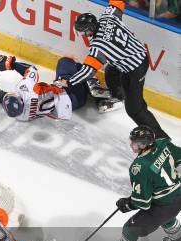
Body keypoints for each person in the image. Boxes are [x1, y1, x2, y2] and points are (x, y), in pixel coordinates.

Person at [61, 1, 168, 139]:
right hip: (138, 54)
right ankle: (118, 96)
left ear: (89, 30)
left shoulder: (98, 46)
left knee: (135, 110)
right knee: (111, 70)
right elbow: (117, 2)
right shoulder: (108, 16)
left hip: (134, 69)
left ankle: (162, 139)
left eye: (83, 32)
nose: (83, 35)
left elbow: (87, 71)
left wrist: (69, 82)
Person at [99, 126, 181, 241]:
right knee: (166, 216)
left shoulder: (139, 167)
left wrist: (126, 204)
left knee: (129, 230)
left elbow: (142, 202)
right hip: (178, 197)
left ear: (143, 144)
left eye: (135, 142)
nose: (131, 144)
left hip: (163, 206)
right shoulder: (163, 144)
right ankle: (178, 240)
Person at [0, 55, 119, 121]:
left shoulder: (21, 117)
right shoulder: (26, 88)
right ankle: (92, 83)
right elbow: (31, 70)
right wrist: (11, 64)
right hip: (70, 91)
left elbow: (16, 106)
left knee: (65, 81)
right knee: (67, 61)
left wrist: (3, 97)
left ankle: (98, 100)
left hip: (72, 106)